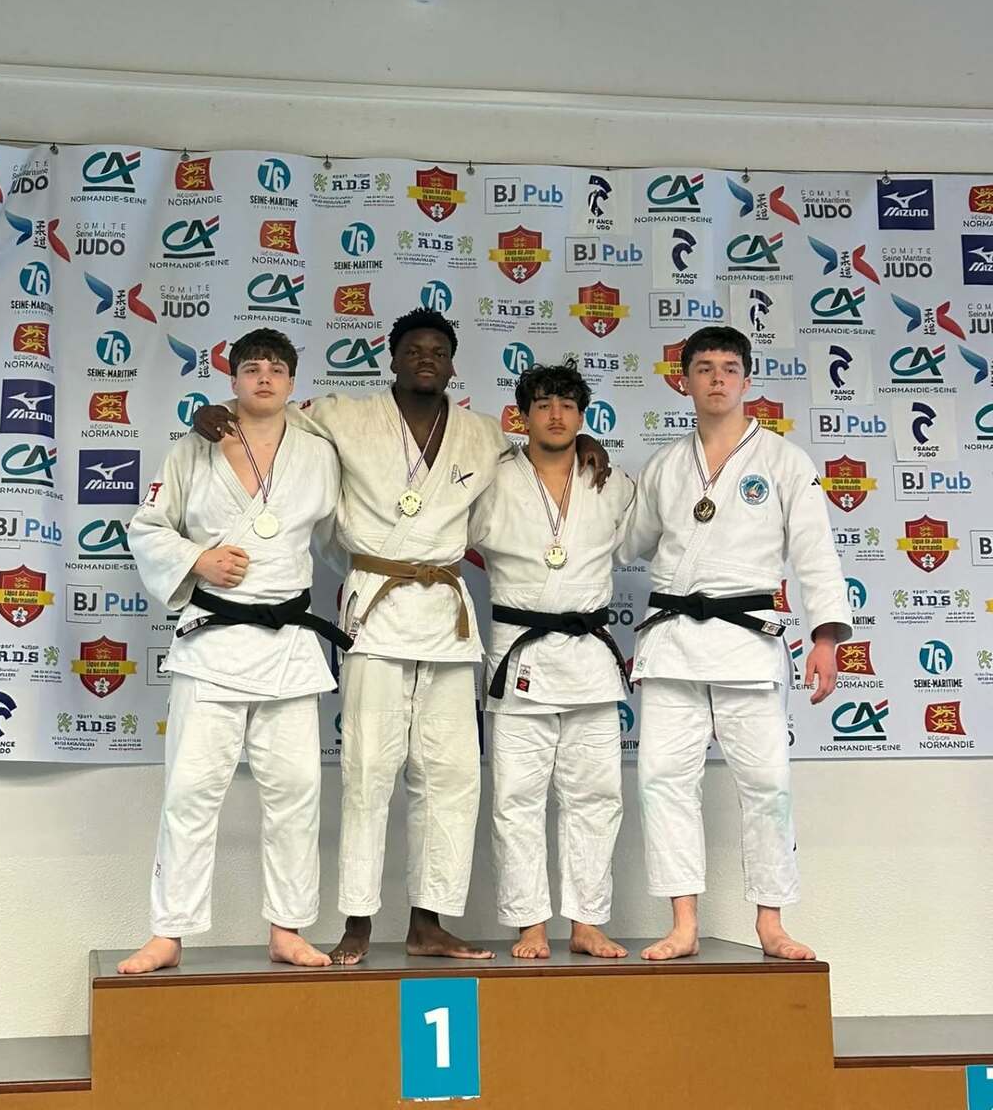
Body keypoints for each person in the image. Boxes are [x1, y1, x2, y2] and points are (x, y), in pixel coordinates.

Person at [195, 309, 609, 964]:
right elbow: (269, 417)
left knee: (451, 775)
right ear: (390, 357)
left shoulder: (481, 433)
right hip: (377, 612)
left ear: (452, 364)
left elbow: (539, 453)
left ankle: (427, 921)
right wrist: (216, 413)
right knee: (367, 769)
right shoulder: (343, 416)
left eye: (437, 350)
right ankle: (358, 920)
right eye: (413, 348)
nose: (425, 358)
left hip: (446, 618)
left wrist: (586, 445)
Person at [118, 328, 347, 973]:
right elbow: (147, 527)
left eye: (276, 368)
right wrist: (198, 559)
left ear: (293, 382)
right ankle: (169, 932)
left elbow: (343, 534)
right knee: (190, 791)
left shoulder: (319, 451)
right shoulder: (195, 446)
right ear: (233, 378)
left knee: (297, 793)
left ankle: (288, 928)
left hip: (288, 645)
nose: (264, 378)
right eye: (251, 368)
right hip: (213, 642)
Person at [620, 325, 851, 961]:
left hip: (749, 643)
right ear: (684, 381)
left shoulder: (784, 461)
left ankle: (770, 920)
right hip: (673, 642)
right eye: (704, 368)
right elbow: (628, 542)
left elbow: (816, 554)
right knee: (663, 781)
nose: (717, 378)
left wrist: (826, 636)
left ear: (747, 381)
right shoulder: (664, 467)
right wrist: (592, 480)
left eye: (728, 368)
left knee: (768, 783)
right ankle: (683, 922)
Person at [469, 362, 635, 960]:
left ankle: (587, 921)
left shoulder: (611, 481)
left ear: (583, 416)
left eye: (567, 405)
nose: (556, 415)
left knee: (596, 796)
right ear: (523, 416)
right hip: (520, 657)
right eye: (543, 405)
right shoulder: (493, 478)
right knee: (516, 799)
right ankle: (530, 924)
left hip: (589, 659)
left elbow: (641, 538)